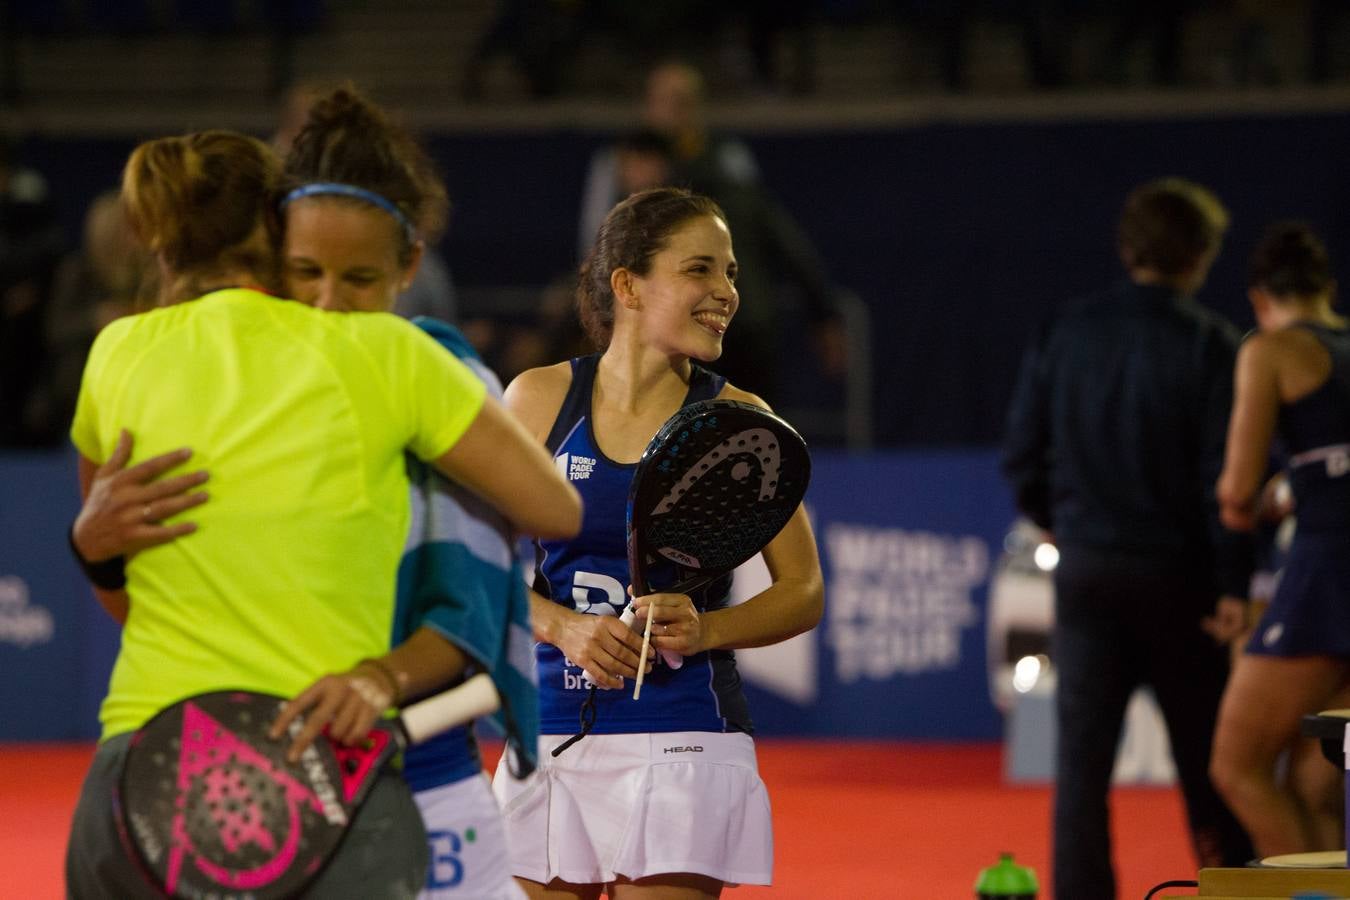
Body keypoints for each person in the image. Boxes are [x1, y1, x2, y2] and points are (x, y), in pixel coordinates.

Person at [63, 129, 582, 899]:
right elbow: (555, 508)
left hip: (141, 772)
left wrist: (92, 548)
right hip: (318, 768)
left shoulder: (114, 353)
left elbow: (123, 596)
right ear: (278, 233)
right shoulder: (385, 353)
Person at [491, 186, 824, 899]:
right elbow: (471, 563)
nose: (725, 292)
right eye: (700, 269)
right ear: (628, 286)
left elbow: (803, 590)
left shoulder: (738, 422)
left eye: (731, 273)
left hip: (685, 734)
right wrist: (564, 627)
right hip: (548, 730)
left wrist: (707, 630)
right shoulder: (538, 399)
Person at [1002, 177, 1255, 898]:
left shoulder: (1065, 330)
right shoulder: (1213, 345)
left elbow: (1021, 456)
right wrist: (1234, 583)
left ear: (1126, 247)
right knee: (1210, 766)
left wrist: (1067, 525)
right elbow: (1226, 484)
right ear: (1201, 255)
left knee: (1081, 771)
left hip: (1088, 575)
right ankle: (1231, 888)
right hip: (1183, 583)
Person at [1209, 222, 1350, 856]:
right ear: (1330, 290)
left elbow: (1237, 490)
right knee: (1313, 793)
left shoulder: (1267, 351)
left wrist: (1246, 504)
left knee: (1237, 768)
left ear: (1260, 299)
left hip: (1325, 579)